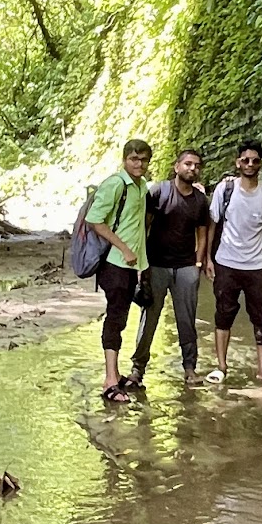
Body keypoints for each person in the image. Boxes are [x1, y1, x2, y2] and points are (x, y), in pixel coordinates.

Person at [207, 139, 262, 387]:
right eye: (245, 160)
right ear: (237, 162)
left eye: (254, 160)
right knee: (223, 314)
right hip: (226, 263)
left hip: (257, 267)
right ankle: (221, 366)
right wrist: (208, 258)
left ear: (260, 164)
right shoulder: (225, 189)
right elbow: (212, 223)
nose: (250, 164)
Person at [128, 149, 210, 386]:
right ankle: (137, 369)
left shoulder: (200, 201)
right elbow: (144, 227)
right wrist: (142, 264)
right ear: (176, 167)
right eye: (187, 164)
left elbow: (202, 233)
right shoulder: (158, 191)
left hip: (185, 267)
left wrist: (198, 262)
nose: (191, 168)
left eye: (196, 165)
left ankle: (190, 369)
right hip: (156, 265)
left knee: (187, 319)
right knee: (149, 319)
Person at [87, 138, 152, 404]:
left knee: (121, 318)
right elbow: (95, 221)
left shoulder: (142, 186)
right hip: (114, 263)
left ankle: (115, 373)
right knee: (115, 318)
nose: (139, 164)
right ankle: (109, 381)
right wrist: (124, 249)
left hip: (131, 265)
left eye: (144, 159)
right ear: (125, 159)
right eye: (134, 159)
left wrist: (140, 265)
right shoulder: (115, 184)